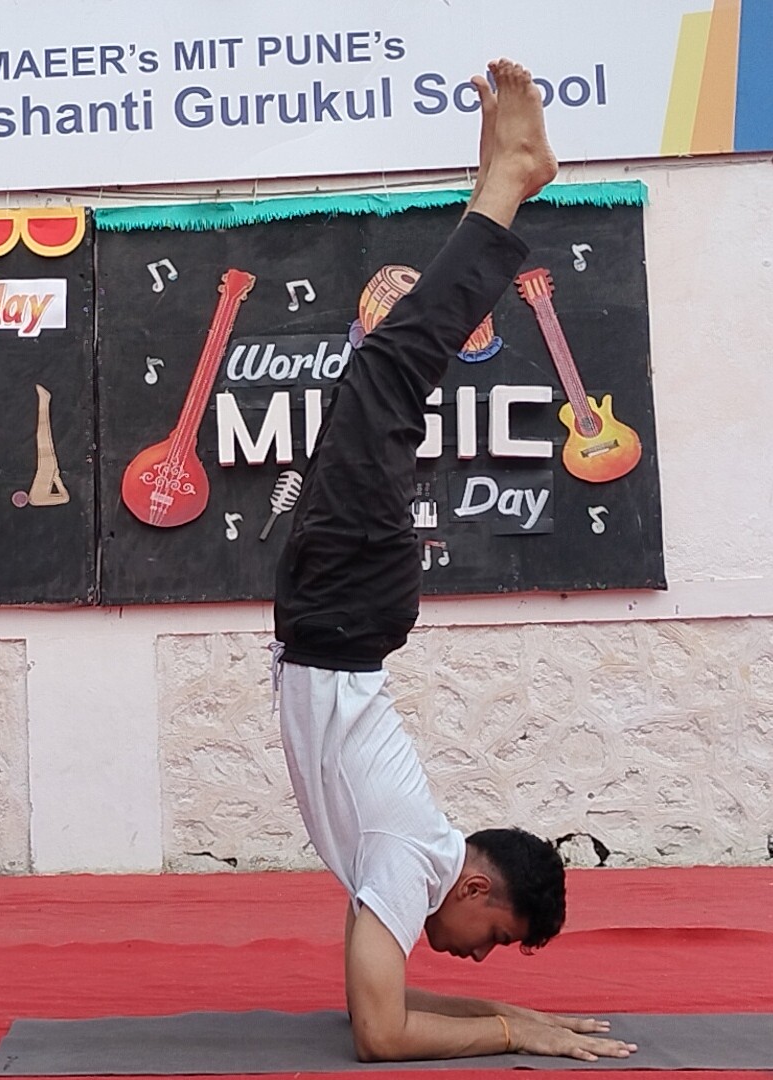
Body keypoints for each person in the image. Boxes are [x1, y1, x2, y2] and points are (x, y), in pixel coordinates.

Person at [272, 59, 638, 1064]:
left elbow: (392, 1015)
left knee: (383, 375)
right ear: (477, 891)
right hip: (342, 612)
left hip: (337, 615)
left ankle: (500, 177)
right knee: (390, 366)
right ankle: (511, 177)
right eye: (496, 947)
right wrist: (515, 1034)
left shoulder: (422, 863)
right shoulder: (407, 864)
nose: (476, 963)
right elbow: (380, 1035)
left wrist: (517, 1024)